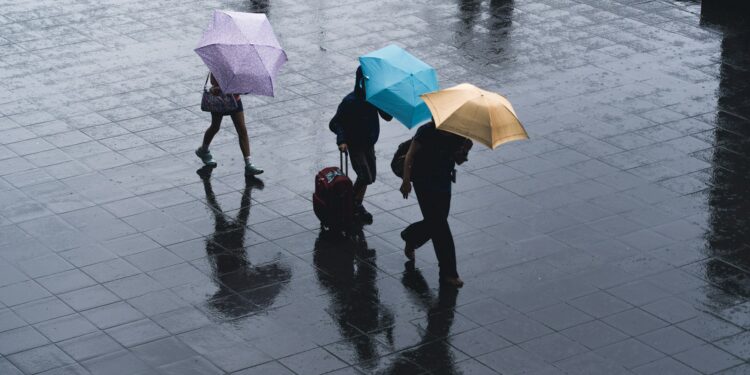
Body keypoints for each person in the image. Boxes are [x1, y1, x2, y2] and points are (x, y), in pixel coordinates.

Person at [399, 121, 473, 287]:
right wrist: (406, 180)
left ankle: (411, 236)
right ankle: (449, 273)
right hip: (424, 182)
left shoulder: (457, 133)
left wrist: (466, 149)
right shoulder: (426, 131)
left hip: (443, 183)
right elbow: (410, 155)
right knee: (441, 227)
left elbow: (458, 160)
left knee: (437, 222)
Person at [329, 66, 393, 223]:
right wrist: (342, 140)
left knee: (370, 177)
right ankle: (351, 203)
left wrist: (385, 101)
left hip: (369, 144)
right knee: (365, 176)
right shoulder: (350, 102)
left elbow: (387, 117)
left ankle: (356, 204)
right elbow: (335, 123)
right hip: (355, 145)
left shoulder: (374, 99)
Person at [195, 73, 263, 177]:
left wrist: (243, 88)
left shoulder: (239, 67)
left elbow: (242, 86)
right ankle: (203, 150)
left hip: (235, 100)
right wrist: (218, 88)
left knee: (242, 130)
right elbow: (213, 82)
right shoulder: (218, 64)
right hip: (220, 100)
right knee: (215, 127)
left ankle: (248, 164)